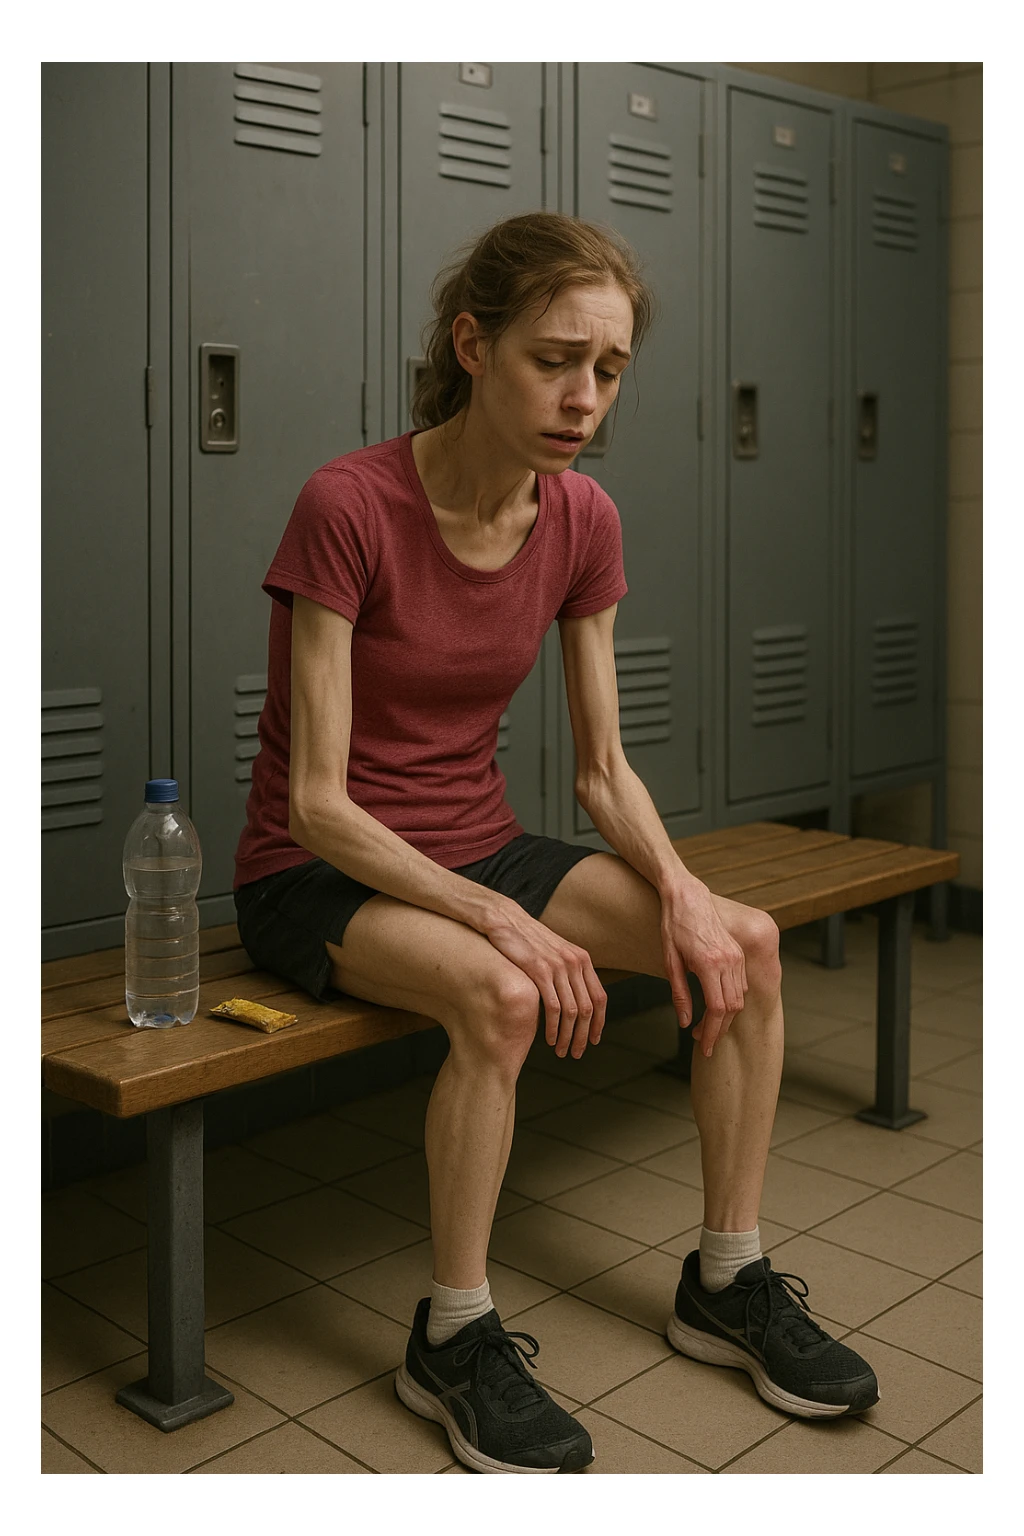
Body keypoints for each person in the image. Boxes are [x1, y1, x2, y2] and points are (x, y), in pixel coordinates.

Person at [233, 211, 879, 1475]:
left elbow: (599, 768)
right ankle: (454, 1336)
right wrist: (499, 920)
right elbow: (317, 802)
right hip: (319, 874)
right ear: (473, 346)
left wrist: (684, 895)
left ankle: (726, 1281)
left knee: (742, 946)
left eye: (610, 369)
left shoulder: (582, 519)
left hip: (477, 845)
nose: (584, 397)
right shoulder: (349, 504)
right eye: (554, 358)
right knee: (502, 992)